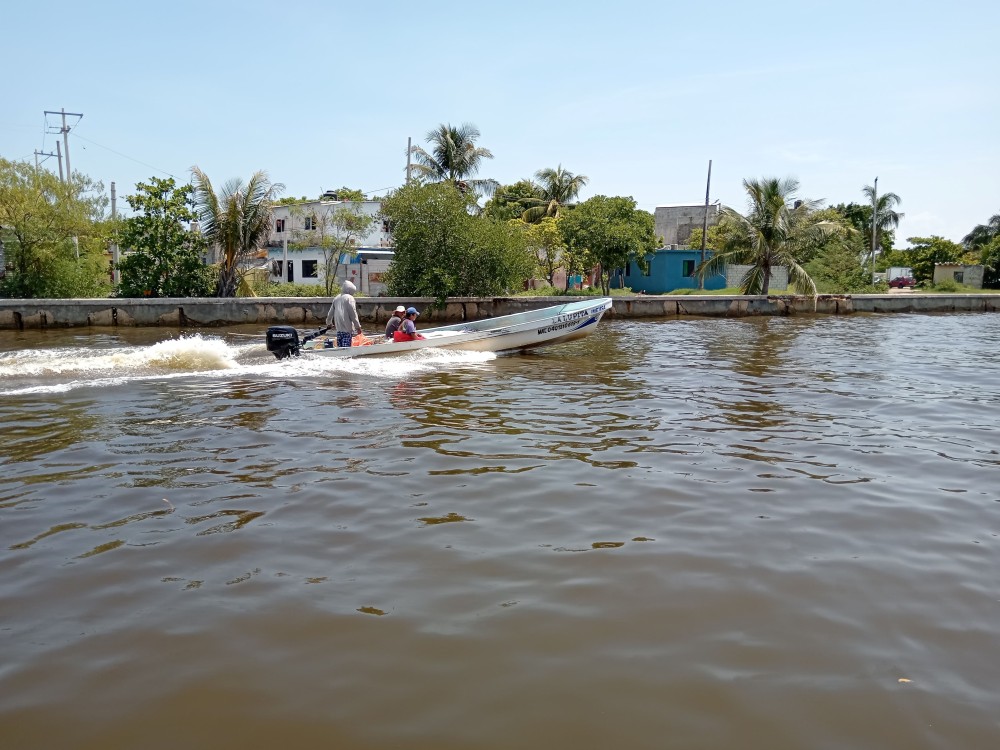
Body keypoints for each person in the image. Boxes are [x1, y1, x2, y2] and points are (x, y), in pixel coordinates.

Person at [325, 280, 362, 347]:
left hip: (339, 330)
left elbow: (330, 315)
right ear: (350, 291)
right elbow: (353, 314)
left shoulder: (336, 298)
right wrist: (358, 328)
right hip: (347, 331)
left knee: (340, 348)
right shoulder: (350, 298)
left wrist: (329, 324)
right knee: (346, 351)